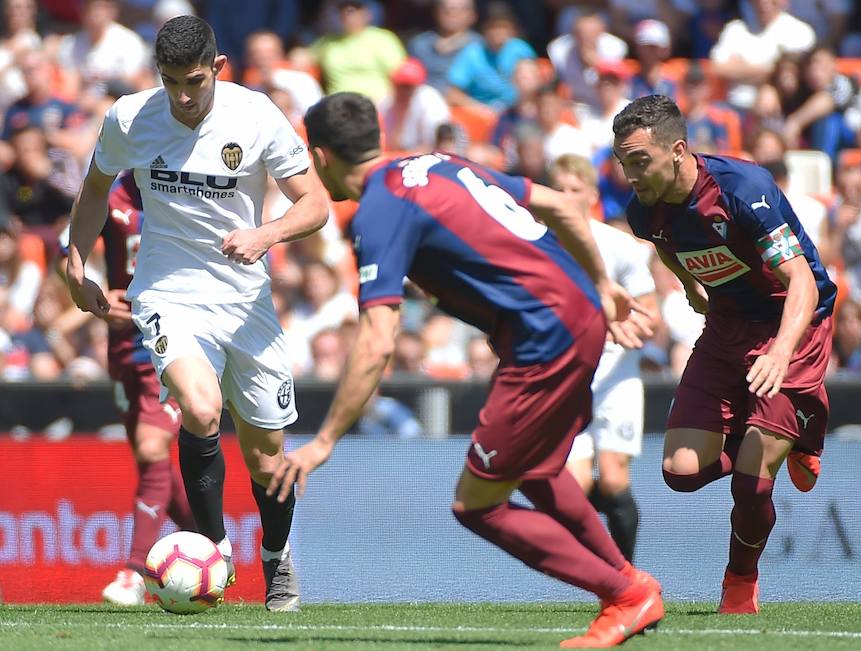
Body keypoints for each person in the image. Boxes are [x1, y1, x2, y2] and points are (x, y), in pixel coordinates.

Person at [266, 91, 663, 648]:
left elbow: (378, 340)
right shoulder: (440, 163)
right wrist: (599, 282)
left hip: (541, 338)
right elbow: (562, 205)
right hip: (575, 317)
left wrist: (324, 440)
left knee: (476, 504)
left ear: (321, 156)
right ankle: (628, 580)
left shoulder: (379, 209)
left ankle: (625, 594)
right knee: (540, 471)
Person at [64, 16, 330, 612]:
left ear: (218, 68)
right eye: (170, 83)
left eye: (193, 82)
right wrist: (73, 259)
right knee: (202, 408)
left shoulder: (256, 115)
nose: (182, 97)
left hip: (245, 298)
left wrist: (267, 233)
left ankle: (277, 557)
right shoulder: (131, 117)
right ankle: (213, 547)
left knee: (267, 459)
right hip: (166, 290)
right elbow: (93, 192)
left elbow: (315, 204)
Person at [614, 95, 836, 614]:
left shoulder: (743, 190)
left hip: (791, 323)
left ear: (678, 151)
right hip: (727, 325)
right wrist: (691, 285)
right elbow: (664, 242)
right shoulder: (643, 209)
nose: (630, 174)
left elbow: (801, 279)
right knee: (681, 471)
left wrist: (781, 352)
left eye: (639, 160)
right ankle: (790, 433)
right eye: (623, 163)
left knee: (752, 487)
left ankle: (740, 582)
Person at [65, 171, 196, 605]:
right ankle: (212, 547)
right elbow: (68, 251)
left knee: (154, 447)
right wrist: (91, 293)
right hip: (125, 345)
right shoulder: (110, 191)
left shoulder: (193, 184)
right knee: (155, 466)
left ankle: (134, 573)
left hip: (179, 336)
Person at [551, 154, 660, 564]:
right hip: (564, 378)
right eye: (558, 189)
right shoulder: (538, 246)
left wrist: (624, 326)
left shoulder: (618, 246)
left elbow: (648, 314)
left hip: (615, 376)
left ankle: (625, 576)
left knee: (614, 479)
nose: (565, 198)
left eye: (574, 190)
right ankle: (603, 569)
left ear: (592, 196)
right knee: (575, 487)